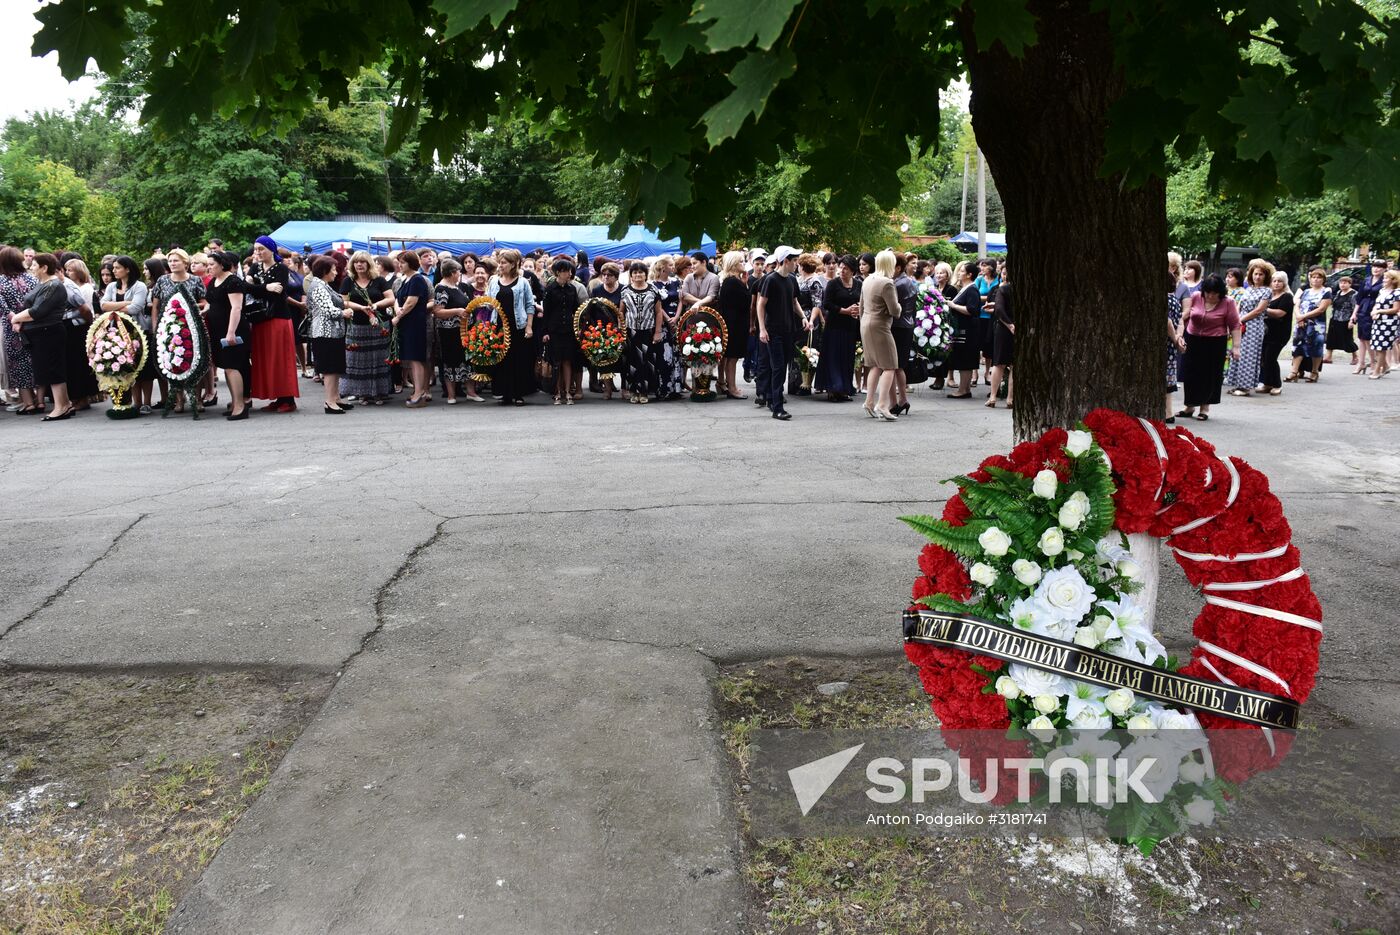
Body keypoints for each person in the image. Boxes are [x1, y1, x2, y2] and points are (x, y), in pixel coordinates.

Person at [10, 252, 73, 419]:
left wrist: (16, 318)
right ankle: (65, 404)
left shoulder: (53, 285)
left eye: (34, 266)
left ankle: (61, 406)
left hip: (49, 332)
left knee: (53, 370)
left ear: (45, 268)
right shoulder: (43, 284)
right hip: (41, 334)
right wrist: (20, 321)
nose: (31, 269)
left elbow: (37, 311)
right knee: (50, 370)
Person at [1175, 273, 1241, 421]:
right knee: (1190, 373)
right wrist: (1179, 332)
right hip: (1193, 338)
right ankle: (1189, 406)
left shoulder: (1228, 302)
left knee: (1210, 375)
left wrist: (1236, 347)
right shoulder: (1197, 296)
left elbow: (1235, 325)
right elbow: (1186, 315)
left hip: (1215, 341)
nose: (1211, 296)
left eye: (1214, 293)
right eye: (1208, 292)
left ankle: (1205, 408)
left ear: (1220, 292)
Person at [243, 236, 299, 411]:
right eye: (256, 249)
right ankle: (277, 396)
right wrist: (266, 287)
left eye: (261, 249)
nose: (258, 252)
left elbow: (278, 292)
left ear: (271, 249)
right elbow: (245, 287)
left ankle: (288, 399)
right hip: (260, 318)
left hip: (278, 318)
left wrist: (257, 286)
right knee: (266, 359)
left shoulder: (281, 268)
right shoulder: (255, 266)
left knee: (280, 358)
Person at [149, 249, 207, 411]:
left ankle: (196, 399)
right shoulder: (162, 280)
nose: (173, 264)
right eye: (171, 261)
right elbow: (155, 306)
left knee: (195, 363)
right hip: (167, 327)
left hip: (191, 328)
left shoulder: (195, 280)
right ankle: (179, 400)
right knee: (172, 361)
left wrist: (191, 307)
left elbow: (203, 302)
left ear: (185, 263)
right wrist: (155, 327)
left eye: (176, 261)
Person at [340, 251, 395, 405]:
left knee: (378, 359)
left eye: (363, 262)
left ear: (369, 263)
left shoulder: (378, 280)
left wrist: (375, 305)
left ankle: (379, 393)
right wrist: (361, 307)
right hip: (357, 326)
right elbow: (343, 302)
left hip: (379, 325)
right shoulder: (348, 281)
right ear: (352, 264)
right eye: (356, 262)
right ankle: (363, 393)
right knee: (359, 361)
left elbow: (391, 299)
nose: (359, 265)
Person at [756, 245, 805, 421]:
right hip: (773, 330)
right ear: (785, 261)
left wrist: (803, 317)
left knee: (781, 365)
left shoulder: (791, 279)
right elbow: (761, 304)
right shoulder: (771, 280)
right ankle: (777, 407)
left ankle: (771, 398)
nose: (797, 264)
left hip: (788, 330)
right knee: (778, 368)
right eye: (794, 261)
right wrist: (762, 328)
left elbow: (794, 301)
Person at [100, 255, 154, 413]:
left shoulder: (139, 286)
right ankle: (135, 402)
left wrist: (114, 306)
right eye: (113, 268)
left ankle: (147, 402)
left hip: (137, 331)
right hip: (116, 331)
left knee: (143, 367)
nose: (114, 271)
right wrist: (126, 303)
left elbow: (135, 309)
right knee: (128, 368)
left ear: (127, 269)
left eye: (117, 268)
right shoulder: (111, 287)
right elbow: (103, 305)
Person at [301, 255, 354, 413]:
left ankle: (335, 398)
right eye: (333, 270)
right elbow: (328, 310)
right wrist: (345, 313)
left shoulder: (323, 284)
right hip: (325, 332)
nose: (336, 273)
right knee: (330, 368)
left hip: (333, 332)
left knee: (336, 367)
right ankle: (329, 401)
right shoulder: (318, 287)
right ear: (324, 271)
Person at [204, 251, 252, 420]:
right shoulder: (213, 281)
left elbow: (236, 308)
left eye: (211, 264)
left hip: (233, 330)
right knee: (227, 367)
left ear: (222, 264)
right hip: (217, 329)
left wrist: (231, 332)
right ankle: (234, 403)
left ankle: (240, 406)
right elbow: (212, 305)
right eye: (208, 265)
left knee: (234, 366)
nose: (208, 268)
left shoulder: (233, 281)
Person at [486, 248, 536, 406]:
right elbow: (488, 302)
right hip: (498, 325)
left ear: (513, 264)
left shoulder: (523, 282)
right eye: (499, 262)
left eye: (504, 262)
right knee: (501, 360)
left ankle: (518, 394)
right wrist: (487, 304)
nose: (500, 265)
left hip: (518, 326)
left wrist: (529, 326)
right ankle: (504, 393)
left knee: (518, 360)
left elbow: (529, 305)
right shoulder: (493, 281)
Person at [858, 249, 901, 421]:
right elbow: (894, 310)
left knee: (874, 365)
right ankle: (882, 404)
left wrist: (863, 321)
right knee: (890, 365)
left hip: (866, 324)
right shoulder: (887, 283)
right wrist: (901, 307)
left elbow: (861, 306)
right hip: (880, 326)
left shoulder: (868, 280)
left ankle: (869, 401)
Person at [1224, 260, 1274, 397]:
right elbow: (1239, 306)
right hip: (1241, 324)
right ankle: (1237, 383)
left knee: (1249, 356)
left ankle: (1246, 387)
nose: (1257, 277)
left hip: (1254, 326)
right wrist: (1235, 320)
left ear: (1266, 276)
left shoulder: (1267, 291)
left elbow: (1259, 310)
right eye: (1255, 274)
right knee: (1237, 353)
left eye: (1261, 274)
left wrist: (1241, 319)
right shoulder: (1248, 289)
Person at [391, 250, 433, 407]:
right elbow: (397, 298)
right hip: (407, 324)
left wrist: (398, 316)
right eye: (399, 262)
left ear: (411, 263)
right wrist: (397, 310)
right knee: (412, 359)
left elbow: (411, 302)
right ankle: (418, 390)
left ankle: (419, 392)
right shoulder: (405, 280)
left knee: (417, 360)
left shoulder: (417, 280)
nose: (399, 265)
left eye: (403, 262)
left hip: (415, 324)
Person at [543, 258, 587, 404]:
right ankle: (557, 392)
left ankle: (568, 392)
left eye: (569, 271)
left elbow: (576, 309)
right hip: (554, 330)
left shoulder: (572, 289)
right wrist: (545, 332)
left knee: (568, 361)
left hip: (569, 329)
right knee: (556, 362)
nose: (568, 274)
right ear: (557, 273)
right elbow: (546, 312)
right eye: (565, 271)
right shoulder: (550, 289)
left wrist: (579, 327)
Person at [819, 254, 860, 402]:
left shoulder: (858, 284)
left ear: (852, 270)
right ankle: (832, 389)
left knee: (847, 357)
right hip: (835, 325)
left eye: (846, 269)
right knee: (833, 357)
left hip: (850, 326)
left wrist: (858, 309)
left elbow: (861, 300)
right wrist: (844, 310)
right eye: (841, 267)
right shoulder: (833, 284)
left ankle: (844, 389)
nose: (842, 271)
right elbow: (827, 304)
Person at [620, 261, 663, 404]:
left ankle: (644, 391)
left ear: (646, 274)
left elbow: (658, 312)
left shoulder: (653, 290)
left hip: (648, 331)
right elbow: (621, 311)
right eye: (635, 272)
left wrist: (657, 332)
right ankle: (633, 391)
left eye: (641, 272)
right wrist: (621, 329)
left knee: (646, 361)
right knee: (631, 362)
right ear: (631, 275)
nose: (638, 275)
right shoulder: (625, 290)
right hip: (630, 332)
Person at [430, 259, 471, 403]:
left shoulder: (456, 287)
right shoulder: (441, 288)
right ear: (453, 273)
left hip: (462, 330)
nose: (460, 274)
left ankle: (470, 392)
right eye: (459, 271)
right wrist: (457, 311)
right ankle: (451, 395)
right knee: (450, 361)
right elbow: (437, 311)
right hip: (448, 332)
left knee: (466, 360)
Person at [60, 257, 99, 408]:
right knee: (74, 364)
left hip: (80, 327)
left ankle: (83, 397)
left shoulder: (85, 288)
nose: (68, 273)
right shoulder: (71, 286)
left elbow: (87, 310)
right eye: (67, 270)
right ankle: (77, 396)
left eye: (71, 270)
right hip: (72, 327)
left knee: (80, 364)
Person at [713, 251, 750, 400]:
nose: (744, 263)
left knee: (729, 356)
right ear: (734, 264)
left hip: (733, 321)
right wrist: (746, 286)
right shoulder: (732, 282)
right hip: (734, 323)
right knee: (732, 356)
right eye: (741, 261)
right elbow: (745, 302)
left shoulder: (731, 280)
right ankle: (732, 387)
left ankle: (725, 383)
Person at [945, 260, 983, 399]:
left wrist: (953, 305)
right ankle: (965, 388)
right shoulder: (965, 288)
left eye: (962, 271)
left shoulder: (972, 289)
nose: (959, 273)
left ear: (969, 274)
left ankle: (963, 389)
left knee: (965, 360)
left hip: (968, 331)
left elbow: (972, 310)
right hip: (963, 329)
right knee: (963, 359)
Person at [1286, 266, 1331, 383]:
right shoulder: (1305, 291)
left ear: (1323, 280)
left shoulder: (1326, 292)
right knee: (1298, 346)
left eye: (1318, 278)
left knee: (1316, 347)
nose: (1315, 280)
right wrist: (1299, 317)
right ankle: (1293, 371)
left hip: (1316, 324)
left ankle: (1314, 371)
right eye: (1313, 277)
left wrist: (1303, 316)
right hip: (1301, 323)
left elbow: (1321, 309)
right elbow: (1297, 305)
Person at [1255, 271, 1294, 396]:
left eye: (1280, 281)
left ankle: (1277, 384)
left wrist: (1263, 309)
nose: (1276, 283)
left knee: (1270, 358)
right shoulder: (1268, 295)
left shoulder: (1287, 296)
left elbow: (1280, 313)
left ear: (1284, 283)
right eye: (1274, 281)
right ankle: (1267, 383)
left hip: (1279, 333)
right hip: (1265, 332)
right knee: (1263, 359)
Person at [651, 256, 684, 399]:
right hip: (662, 323)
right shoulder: (653, 285)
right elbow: (657, 305)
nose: (673, 267)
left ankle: (676, 389)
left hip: (676, 321)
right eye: (670, 265)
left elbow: (681, 300)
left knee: (677, 355)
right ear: (663, 267)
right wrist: (667, 319)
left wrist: (676, 318)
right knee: (665, 356)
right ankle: (664, 388)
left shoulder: (677, 282)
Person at [889, 254, 918, 414]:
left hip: (898, 325)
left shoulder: (898, 284)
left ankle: (899, 400)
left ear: (898, 268)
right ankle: (903, 399)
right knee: (899, 365)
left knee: (894, 365)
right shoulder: (908, 282)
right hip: (906, 325)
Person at [1353, 259, 1386, 375]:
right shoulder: (1366, 280)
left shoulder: (1384, 282)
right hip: (1362, 309)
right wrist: (1354, 313)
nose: (1376, 269)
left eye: (1379, 267)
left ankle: (1373, 362)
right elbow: (1359, 298)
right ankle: (1361, 363)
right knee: (1361, 338)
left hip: (1374, 310)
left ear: (1384, 269)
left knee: (1369, 339)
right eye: (1374, 267)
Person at [986, 276, 1014, 409]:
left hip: (1003, 329)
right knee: (1015, 365)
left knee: (998, 364)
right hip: (1021, 329)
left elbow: (999, 310)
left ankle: (992, 396)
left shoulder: (1004, 289)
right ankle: (1010, 398)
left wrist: (1009, 325)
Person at [1368, 268, 1400, 379]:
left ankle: (1377, 371)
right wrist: (1374, 311)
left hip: (1389, 323)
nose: (1384, 279)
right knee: (1376, 346)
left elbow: (1395, 309)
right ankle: (1385, 366)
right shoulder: (1382, 291)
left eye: (1386, 278)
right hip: (1378, 321)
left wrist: (1380, 311)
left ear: (1393, 280)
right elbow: (1377, 304)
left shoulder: (1397, 292)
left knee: (1382, 347)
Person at [1324, 274, 1359, 366]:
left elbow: (1355, 308)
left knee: (1347, 339)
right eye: (1341, 283)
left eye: (1345, 283)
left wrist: (1352, 321)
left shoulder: (1353, 294)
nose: (1342, 285)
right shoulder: (1339, 292)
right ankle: (1328, 356)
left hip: (1346, 319)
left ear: (1350, 284)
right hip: (1335, 318)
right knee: (1331, 338)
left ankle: (1355, 356)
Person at [1165, 273, 1185, 423]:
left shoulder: (1163, 299)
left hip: (1165, 342)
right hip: (1172, 345)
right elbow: (1180, 322)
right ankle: (1169, 412)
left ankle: (1166, 413)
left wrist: (1173, 338)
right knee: (1169, 378)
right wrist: (1178, 339)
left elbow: (1169, 323)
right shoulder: (1175, 300)